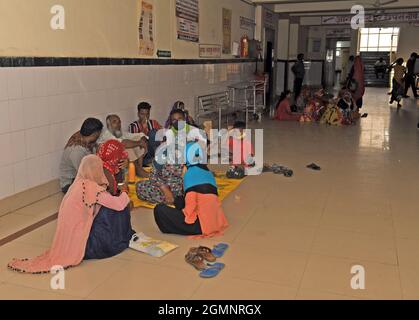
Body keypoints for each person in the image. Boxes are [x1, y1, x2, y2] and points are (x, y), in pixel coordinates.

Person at [8, 155, 134, 274]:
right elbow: (118, 204)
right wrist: (123, 192)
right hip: (79, 239)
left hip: (66, 234)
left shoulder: (78, 183)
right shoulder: (91, 188)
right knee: (115, 209)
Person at [154, 142, 228, 238]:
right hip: (215, 221)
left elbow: (191, 208)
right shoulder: (207, 171)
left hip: (201, 225)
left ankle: (173, 228)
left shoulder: (190, 174)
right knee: (179, 200)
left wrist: (186, 219)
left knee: (159, 209)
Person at [59, 118, 103, 194]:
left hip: (81, 175)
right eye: (98, 134)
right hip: (70, 183)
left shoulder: (83, 136)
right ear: (94, 134)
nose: (98, 137)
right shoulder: (77, 150)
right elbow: (85, 174)